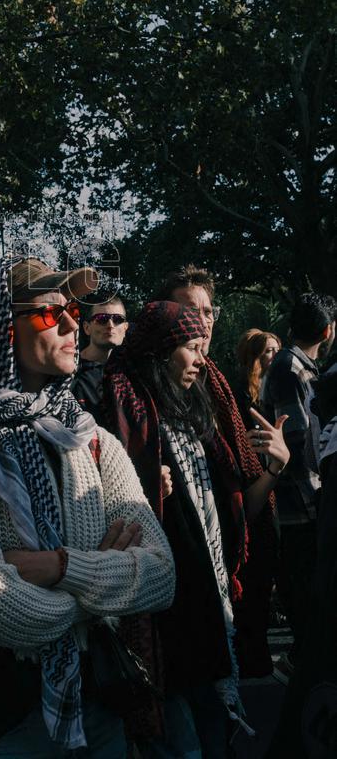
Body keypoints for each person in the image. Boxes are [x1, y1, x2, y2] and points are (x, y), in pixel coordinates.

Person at [0, 257, 175, 758]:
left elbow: (161, 576)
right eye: (48, 312)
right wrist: (96, 595)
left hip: (98, 708)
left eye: (72, 310)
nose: (71, 324)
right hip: (4, 719)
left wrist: (58, 567)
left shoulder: (90, 438)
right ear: (0, 331)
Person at [103, 301, 289, 756]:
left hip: (210, 610)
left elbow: (235, 516)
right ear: (160, 350)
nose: (201, 359)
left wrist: (275, 468)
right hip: (164, 619)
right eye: (190, 347)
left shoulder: (198, 419)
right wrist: (143, 487)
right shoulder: (125, 416)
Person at [156, 265, 278, 679]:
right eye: (190, 311)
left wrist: (275, 467)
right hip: (174, 582)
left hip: (223, 574)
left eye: (209, 311)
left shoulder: (219, 393)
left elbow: (240, 503)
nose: (203, 321)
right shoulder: (140, 394)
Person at [261, 291, 337, 683]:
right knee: (309, 597)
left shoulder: (304, 368)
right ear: (328, 331)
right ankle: (299, 673)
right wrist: (318, 494)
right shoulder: (290, 368)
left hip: (307, 501)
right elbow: (296, 439)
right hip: (299, 505)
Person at [71, 297, 128, 425]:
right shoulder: (70, 371)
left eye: (118, 319)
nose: (110, 325)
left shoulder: (133, 372)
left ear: (125, 328)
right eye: (102, 319)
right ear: (87, 328)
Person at [233, 329, 282, 429]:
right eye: (269, 351)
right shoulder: (243, 391)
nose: (276, 354)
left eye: (278, 350)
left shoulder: (279, 382)